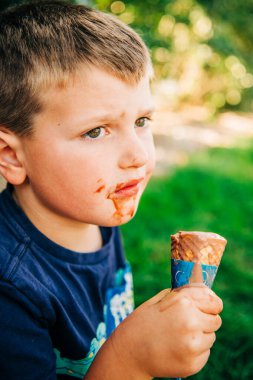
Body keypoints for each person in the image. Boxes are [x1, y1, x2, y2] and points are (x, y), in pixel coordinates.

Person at [0, 1, 223, 379]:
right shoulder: (10, 289)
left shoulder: (94, 209)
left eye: (141, 120)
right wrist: (130, 359)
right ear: (11, 156)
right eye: (95, 131)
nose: (138, 155)